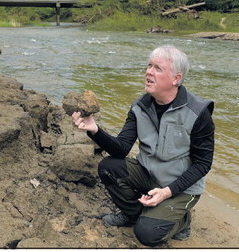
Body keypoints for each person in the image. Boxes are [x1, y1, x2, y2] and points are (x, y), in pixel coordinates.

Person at [71, 45, 215, 247]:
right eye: (149, 66)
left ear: (176, 78)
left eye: (158, 68)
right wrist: (95, 130)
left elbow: (203, 164)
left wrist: (167, 192)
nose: (148, 72)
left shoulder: (198, 113)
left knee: (147, 235)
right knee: (109, 167)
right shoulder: (140, 106)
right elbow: (121, 149)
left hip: (182, 188)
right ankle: (133, 215)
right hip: (148, 176)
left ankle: (182, 222)